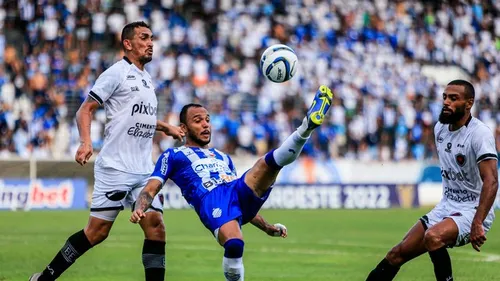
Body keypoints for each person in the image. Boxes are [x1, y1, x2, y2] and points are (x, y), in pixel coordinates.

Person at [30, 21, 184, 281]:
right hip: (116, 168)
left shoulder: (147, 79)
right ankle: (45, 278)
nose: (150, 43)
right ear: (128, 43)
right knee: (96, 232)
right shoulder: (116, 73)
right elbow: (85, 109)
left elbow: (134, 117)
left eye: (151, 38)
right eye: (144, 38)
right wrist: (85, 142)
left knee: (156, 228)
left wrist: (165, 126)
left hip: (145, 169)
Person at [130, 85, 334, 281]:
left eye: (208, 120)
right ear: (183, 128)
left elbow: (241, 206)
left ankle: (306, 127)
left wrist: (267, 227)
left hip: (233, 190)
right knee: (235, 245)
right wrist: (140, 208)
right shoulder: (173, 155)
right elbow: (151, 188)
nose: (205, 125)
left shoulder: (223, 157)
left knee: (267, 163)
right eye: (198, 121)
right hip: (211, 199)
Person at [365, 80, 498, 281]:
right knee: (396, 254)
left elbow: (492, 180)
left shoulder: (480, 134)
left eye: (454, 98)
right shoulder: (440, 130)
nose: (446, 102)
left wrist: (478, 221)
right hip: (447, 206)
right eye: (445, 97)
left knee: (433, 237)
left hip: (474, 210)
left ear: (469, 103)